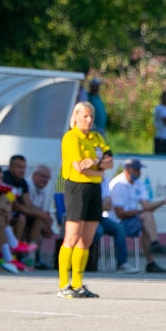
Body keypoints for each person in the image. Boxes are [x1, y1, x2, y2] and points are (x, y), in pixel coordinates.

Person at [58, 102, 112, 297]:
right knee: (72, 236)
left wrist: (97, 163)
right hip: (77, 188)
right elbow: (79, 168)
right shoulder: (71, 138)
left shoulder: (97, 137)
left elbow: (110, 162)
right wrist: (99, 169)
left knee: (87, 238)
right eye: (85, 116)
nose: (89, 120)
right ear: (76, 116)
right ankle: (64, 284)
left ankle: (78, 283)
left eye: (91, 117)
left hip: (94, 188)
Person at [108, 159, 166, 273]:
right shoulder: (118, 185)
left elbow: (147, 207)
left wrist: (163, 202)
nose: (139, 173)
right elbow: (120, 214)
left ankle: (153, 250)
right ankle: (151, 254)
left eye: (139, 170)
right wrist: (139, 212)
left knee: (147, 218)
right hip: (117, 221)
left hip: (131, 218)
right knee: (145, 218)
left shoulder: (138, 183)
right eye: (136, 170)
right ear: (128, 170)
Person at [97, 180, 137, 273]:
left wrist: (97, 206)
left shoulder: (104, 181)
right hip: (87, 218)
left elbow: (109, 205)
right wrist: (100, 205)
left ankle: (122, 264)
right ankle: (84, 263)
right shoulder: (87, 180)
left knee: (119, 229)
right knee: (98, 231)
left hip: (100, 217)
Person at [25, 164, 57, 269]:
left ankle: (34, 255)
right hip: (23, 216)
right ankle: (31, 256)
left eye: (48, 178)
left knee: (42, 223)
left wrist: (48, 225)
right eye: (43, 176)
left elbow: (44, 211)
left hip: (34, 217)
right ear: (35, 174)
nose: (46, 180)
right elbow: (28, 207)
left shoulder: (44, 190)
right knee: (38, 222)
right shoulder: (27, 184)